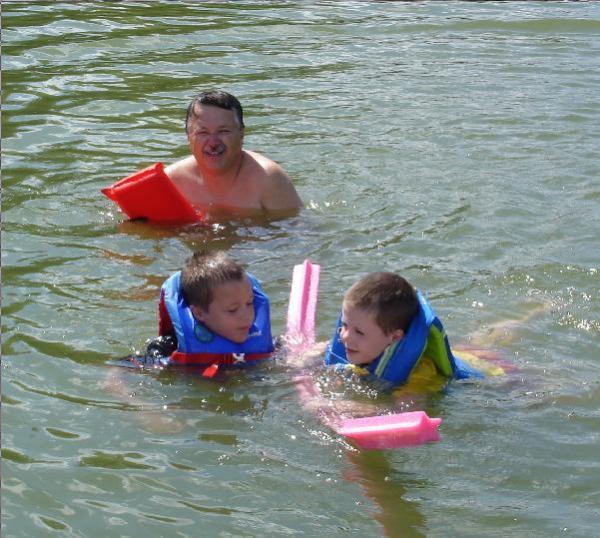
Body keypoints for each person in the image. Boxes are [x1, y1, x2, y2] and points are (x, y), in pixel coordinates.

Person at [323, 272, 484, 392]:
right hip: (463, 353)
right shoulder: (354, 344)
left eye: (359, 332)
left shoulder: (419, 373)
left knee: (486, 347)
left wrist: (351, 408)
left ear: (394, 337)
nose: (344, 337)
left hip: (488, 371)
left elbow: (407, 408)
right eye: (344, 325)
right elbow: (316, 354)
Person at [130, 250, 275, 377]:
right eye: (232, 310)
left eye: (249, 303)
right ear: (199, 313)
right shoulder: (169, 347)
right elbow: (118, 371)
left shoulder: (265, 341)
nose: (247, 315)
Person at [165, 90, 303, 214]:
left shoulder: (268, 179)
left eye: (223, 131)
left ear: (241, 134)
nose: (213, 143)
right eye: (203, 132)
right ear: (189, 136)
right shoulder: (170, 182)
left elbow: (298, 234)